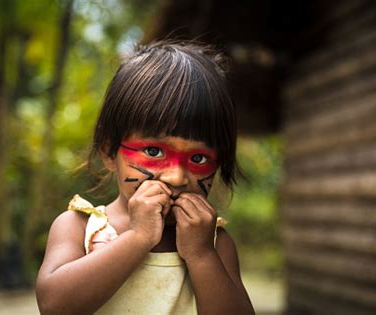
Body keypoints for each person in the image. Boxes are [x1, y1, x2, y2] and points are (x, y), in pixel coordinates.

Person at [36, 40, 255, 314]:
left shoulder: (214, 242)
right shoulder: (80, 228)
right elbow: (54, 306)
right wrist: (138, 237)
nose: (176, 177)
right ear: (108, 150)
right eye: (153, 151)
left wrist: (201, 255)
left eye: (198, 159)